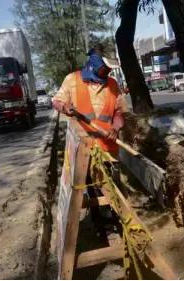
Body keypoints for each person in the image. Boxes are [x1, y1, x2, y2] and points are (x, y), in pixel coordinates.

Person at [52, 43, 128, 232]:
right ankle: (97, 224)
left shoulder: (112, 85)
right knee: (88, 188)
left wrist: (116, 127)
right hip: (83, 150)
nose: (108, 71)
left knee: (111, 187)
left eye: (111, 68)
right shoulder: (72, 80)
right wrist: (65, 107)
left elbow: (120, 112)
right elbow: (57, 100)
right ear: (94, 61)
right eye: (106, 66)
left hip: (108, 148)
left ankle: (112, 222)